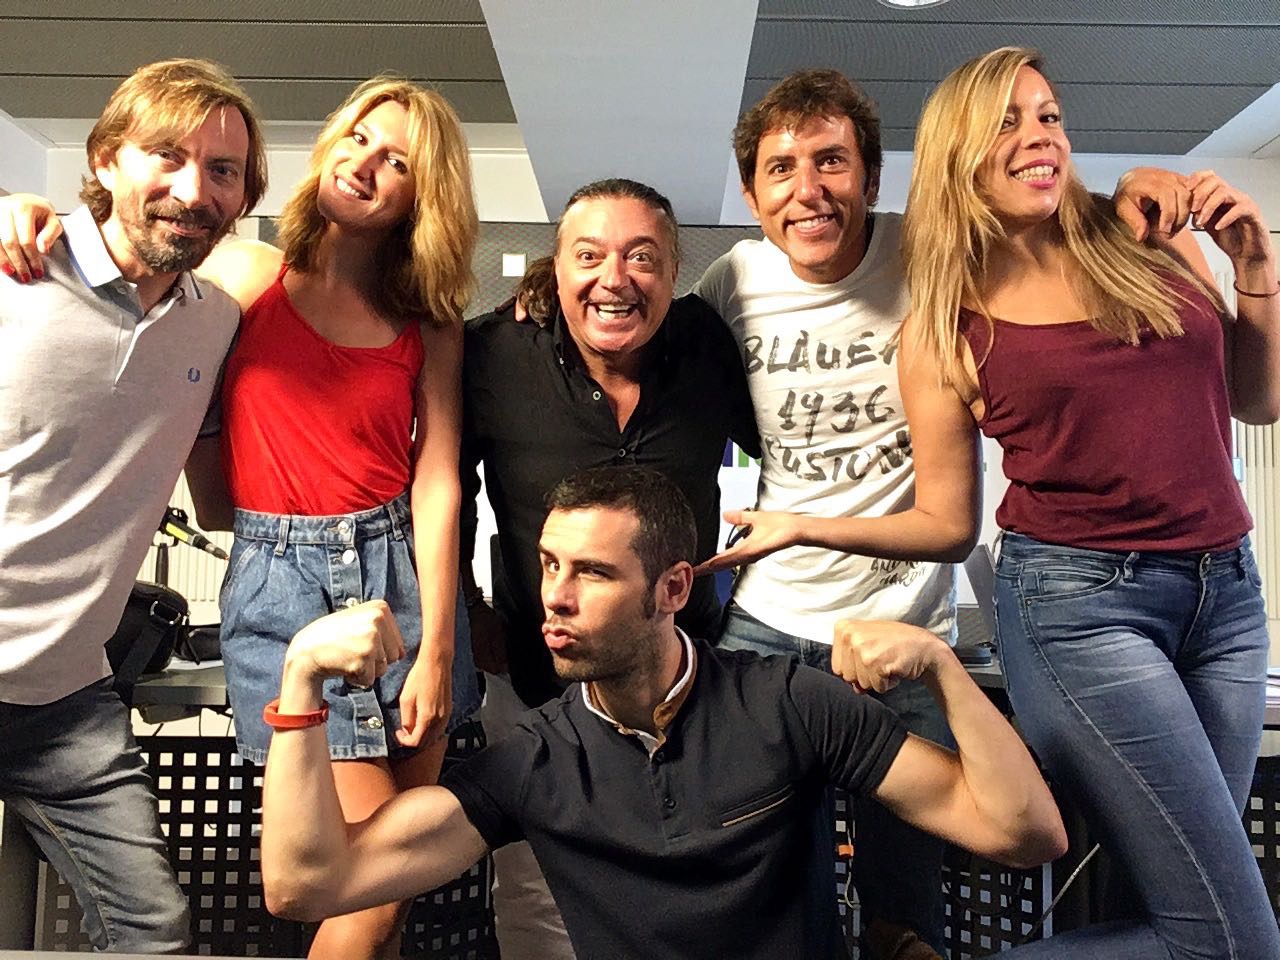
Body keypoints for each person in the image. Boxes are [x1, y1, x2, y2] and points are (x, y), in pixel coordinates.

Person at [0, 76, 483, 960]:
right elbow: (128, 245)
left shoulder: (426, 319)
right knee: (357, 890)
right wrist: (18, 206)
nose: (364, 163)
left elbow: (439, 478)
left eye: (398, 161)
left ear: (427, 195)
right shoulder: (243, 276)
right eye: (357, 136)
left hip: (403, 583)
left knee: (396, 888)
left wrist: (441, 651)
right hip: (283, 580)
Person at [259, 465, 1068, 960]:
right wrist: (299, 684)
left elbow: (1025, 834)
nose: (555, 598)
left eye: (592, 573)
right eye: (548, 565)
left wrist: (942, 670)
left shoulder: (789, 703)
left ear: (672, 589)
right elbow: (307, 887)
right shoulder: (534, 761)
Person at [891, 47, 1279, 957]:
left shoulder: (1145, 237)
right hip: (1082, 610)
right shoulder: (946, 327)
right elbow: (945, 520)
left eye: (1050, 117)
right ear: (958, 156)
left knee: (1180, 911)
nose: (1040, 138)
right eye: (1007, 122)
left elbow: (1257, 400)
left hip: (1227, 597)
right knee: (1231, 939)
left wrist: (1256, 267)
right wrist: (800, 525)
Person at [0, 58, 266, 952]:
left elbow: (296, 270)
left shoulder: (214, 320)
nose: (193, 191)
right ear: (106, 159)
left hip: (65, 700)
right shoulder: (14, 267)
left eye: (223, 171)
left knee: (152, 932)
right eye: (167, 156)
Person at [460, 177, 760, 958]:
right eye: (588, 256)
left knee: (690, 896)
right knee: (538, 895)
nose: (615, 279)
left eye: (642, 257)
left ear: (675, 273)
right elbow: (445, 491)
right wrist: (470, 608)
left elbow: (801, 449)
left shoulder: (708, 347)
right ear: (554, 268)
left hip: (690, 691)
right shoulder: (492, 354)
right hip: (536, 680)